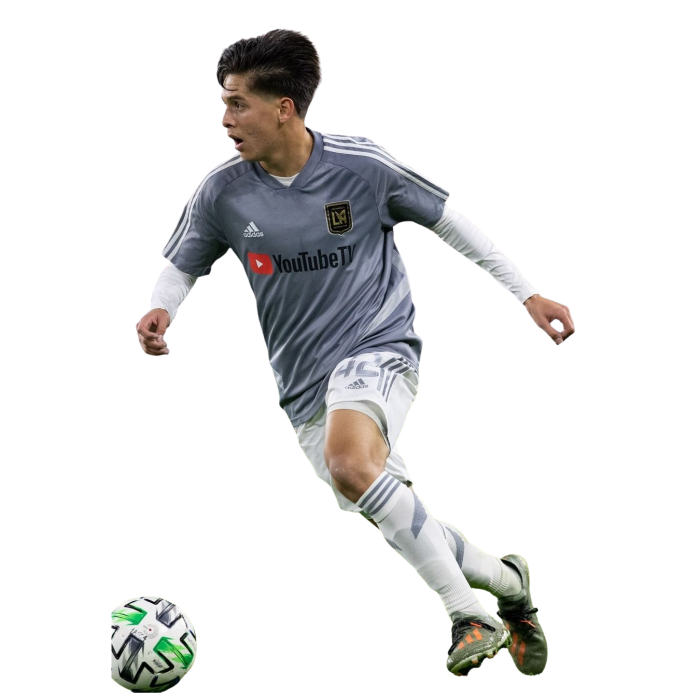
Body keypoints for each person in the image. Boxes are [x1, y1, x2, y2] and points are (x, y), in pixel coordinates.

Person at [135, 28, 575, 677]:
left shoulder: (361, 166)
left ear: (283, 107)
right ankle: (509, 583)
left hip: (379, 347)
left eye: (237, 103)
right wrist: (162, 308)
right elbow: (184, 265)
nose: (224, 118)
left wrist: (527, 293)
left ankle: (468, 615)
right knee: (383, 502)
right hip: (302, 385)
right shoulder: (222, 190)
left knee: (351, 463)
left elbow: (447, 222)